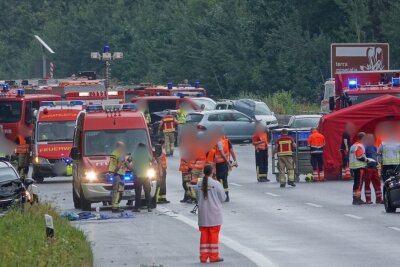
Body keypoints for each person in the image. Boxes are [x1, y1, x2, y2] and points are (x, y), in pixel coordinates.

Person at [197, 165, 226, 263]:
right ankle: (214, 256)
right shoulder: (216, 183)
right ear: (212, 172)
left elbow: (197, 197)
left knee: (204, 235)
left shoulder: (199, 183)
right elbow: (223, 198)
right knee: (213, 235)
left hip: (203, 213)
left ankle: (203, 257)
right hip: (214, 213)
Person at [207, 131, 234, 202]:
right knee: (223, 180)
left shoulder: (218, 142)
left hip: (220, 164)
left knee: (219, 180)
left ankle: (223, 196)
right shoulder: (226, 141)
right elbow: (231, 151)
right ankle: (225, 196)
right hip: (221, 164)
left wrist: (228, 162)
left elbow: (222, 153)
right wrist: (233, 160)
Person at [132, 143, 154, 212]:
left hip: (138, 176)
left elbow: (129, 160)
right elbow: (152, 160)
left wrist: (131, 168)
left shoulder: (135, 153)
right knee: (147, 192)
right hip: (146, 177)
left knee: (138, 193)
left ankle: (137, 208)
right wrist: (150, 167)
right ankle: (149, 207)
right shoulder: (146, 153)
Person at [108, 141, 127, 213]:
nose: (123, 148)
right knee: (119, 191)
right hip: (119, 174)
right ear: (119, 147)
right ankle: (115, 207)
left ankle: (115, 206)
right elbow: (119, 165)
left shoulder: (113, 153)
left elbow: (112, 163)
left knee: (115, 190)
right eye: (122, 146)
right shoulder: (120, 154)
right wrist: (116, 171)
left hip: (115, 174)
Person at [364, 134, 383, 204]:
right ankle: (368, 199)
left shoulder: (375, 147)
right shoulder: (365, 148)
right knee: (367, 184)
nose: (371, 140)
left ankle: (379, 199)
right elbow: (363, 157)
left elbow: (377, 157)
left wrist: (378, 166)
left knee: (377, 184)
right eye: (370, 139)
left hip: (375, 168)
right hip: (368, 168)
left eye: (372, 139)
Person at [349, 132, 367, 205]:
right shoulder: (360, 146)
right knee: (359, 183)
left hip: (354, 166)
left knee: (356, 183)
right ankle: (357, 199)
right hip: (359, 167)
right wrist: (367, 160)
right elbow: (359, 156)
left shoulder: (353, 146)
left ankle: (355, 198)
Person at [156, 139, 170, 204]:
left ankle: (162, 197)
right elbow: (159, 161)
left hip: (163, 169)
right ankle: (159, 198)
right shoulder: (160, 151)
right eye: (165, 143)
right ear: (162, 144)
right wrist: (161, 170)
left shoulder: (162, 151)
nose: (166, 145)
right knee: (161, 184)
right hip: (161, 169)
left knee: (163, 184)